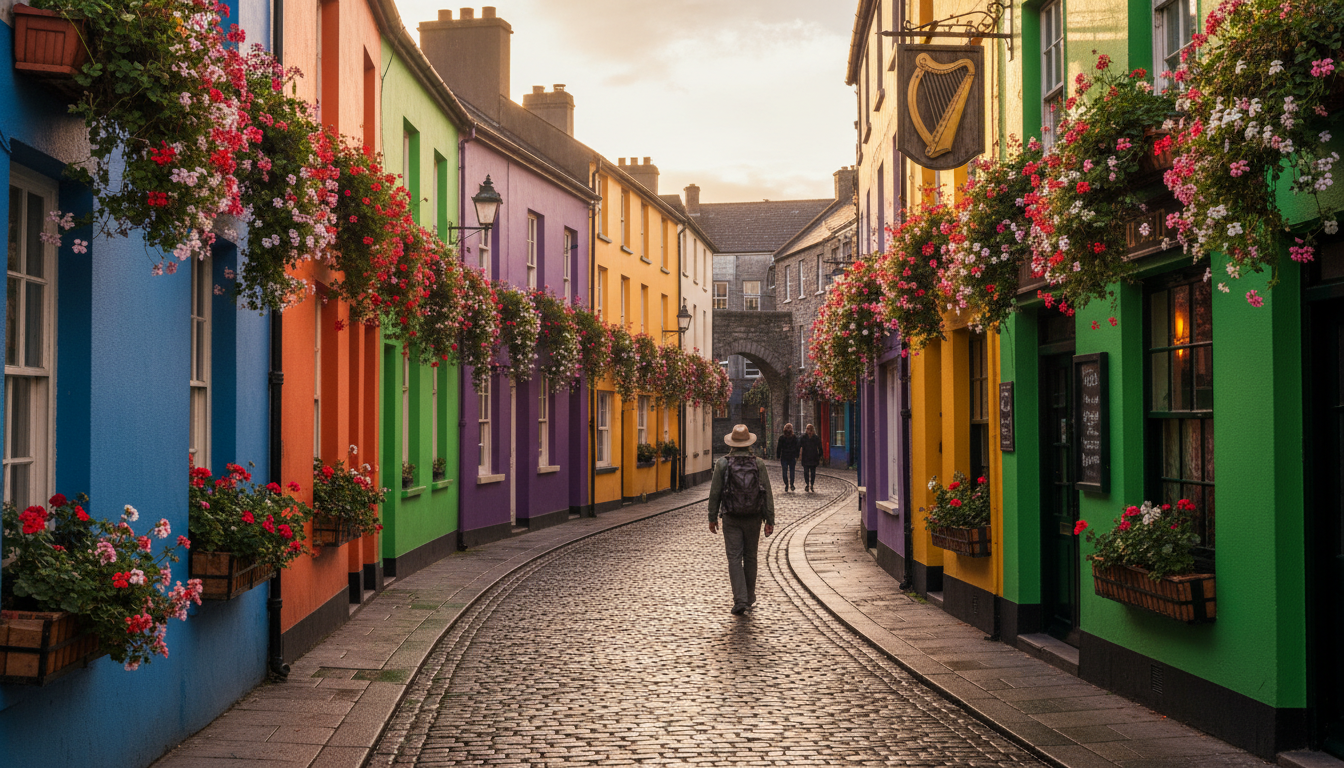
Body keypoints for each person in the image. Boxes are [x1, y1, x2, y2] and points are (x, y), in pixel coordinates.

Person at [707, 424, 776, 615]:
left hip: (731, 516)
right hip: (754, 516)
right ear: (749, 443)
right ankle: (750, 596)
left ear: (732, 443)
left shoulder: (722, 463)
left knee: (734, 558)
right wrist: (769, 518)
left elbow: (715, 493)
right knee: (751, 556)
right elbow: (767, 493)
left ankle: (740, 599)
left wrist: (712, 517)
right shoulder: (758, 463)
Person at [800, 423, 823, 493]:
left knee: (813, 472)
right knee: (806, 472)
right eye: (807, 429)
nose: (808, 430)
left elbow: (820, 447)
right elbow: (799, 445)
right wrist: (799, 454)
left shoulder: (816, 438)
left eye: (809, 429)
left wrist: (819, 455)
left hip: (813, 457)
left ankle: (812, 484)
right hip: (805, 457)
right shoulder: (803, 437)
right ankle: (807, 484)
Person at [776, 423, 799, 492]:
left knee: (786, 471)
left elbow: (779, 448)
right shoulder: (787, 438)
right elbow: (779, 447)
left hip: (786, 457)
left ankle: (788, 484)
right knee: (790, 472)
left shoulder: (785, 437)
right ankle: (790, 484)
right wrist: (797, 455)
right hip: (788, 457)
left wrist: (778, 455)